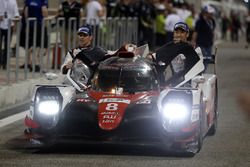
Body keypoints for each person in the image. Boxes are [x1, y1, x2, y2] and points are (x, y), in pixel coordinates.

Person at [154, 22, 200, 86]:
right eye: (176, 32)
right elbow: (157, 53)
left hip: (182, 86)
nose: (178, 35)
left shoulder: (188, 48)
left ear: (187, 34)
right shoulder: (170, 45)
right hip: (163, 85)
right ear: (173, 34)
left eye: (182, 32)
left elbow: (194, 68)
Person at [19, 0, 48, 72]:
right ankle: (35, 64)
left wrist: (26, 22)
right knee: (37, 45)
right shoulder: (41, 2)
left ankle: (31, 63)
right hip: (38, 24)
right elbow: (44, 11)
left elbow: (25, 12)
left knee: (31, 45)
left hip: (30, 24)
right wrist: (45, 21)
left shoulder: (28, 1)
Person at [0, 0, 19, 69]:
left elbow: (16, 14)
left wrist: (15, 25)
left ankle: (4, 63)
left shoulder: (13, 1)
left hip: (9, 25)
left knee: (7, 45)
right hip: (0, 25)